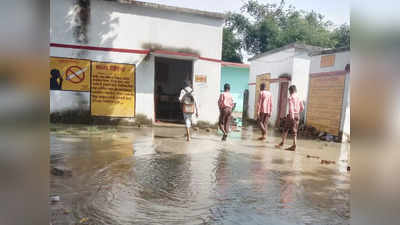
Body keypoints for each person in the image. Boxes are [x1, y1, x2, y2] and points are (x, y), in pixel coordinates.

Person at [276, 85, 304, 151]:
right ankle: (293, 144)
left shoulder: (291, 97)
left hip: (292, 115)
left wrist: (292, 116)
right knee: (295, 131)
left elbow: (291, 107)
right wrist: (297, 112)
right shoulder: (299, 97)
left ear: (291, 90)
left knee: (285, 129)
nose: (289, 92)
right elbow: (302, 107)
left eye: (289, 91)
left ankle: (284, 143)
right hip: (297, 115)